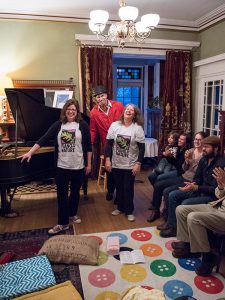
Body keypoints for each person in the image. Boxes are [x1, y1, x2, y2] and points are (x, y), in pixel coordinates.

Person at [20, 99, 92, 234]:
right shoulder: (58, 125)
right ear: (65, 111)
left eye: (74, 110)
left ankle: (72, 213)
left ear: (77, 112)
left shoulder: (82, 125)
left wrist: (88, 164)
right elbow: (44, 138)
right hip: (62, 167)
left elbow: (88, 146)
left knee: (75, 192)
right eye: (69, 109)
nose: (71, 111)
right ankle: (62, 223)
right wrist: (30, 152)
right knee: (62, 195)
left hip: (78, 166)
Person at [159, 135, 225, 237]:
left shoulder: (220, 164)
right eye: (203, 146)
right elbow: (197, 178)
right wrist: (192, 184)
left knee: (185, 203)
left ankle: (185, 235)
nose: (203, 149)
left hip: (211, 197)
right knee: (172, 195)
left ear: (216, 148)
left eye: (206, 147)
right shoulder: (204, 159)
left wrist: (196, 187)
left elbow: (214, 190)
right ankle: (173, 226)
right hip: (198, 190)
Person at [172, 166, 225, 276]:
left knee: (193, 217)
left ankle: (208, 257)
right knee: (181, 209)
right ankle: (188, 246)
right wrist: (221, 185)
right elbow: (218, 195)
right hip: (218, 207)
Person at [158, 131, 206, 236]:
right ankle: (169, 221)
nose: (197, 141)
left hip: (192, 182)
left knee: (170, 193)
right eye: (196, 139)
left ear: (204, 141)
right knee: (165, 190)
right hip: (184, 177)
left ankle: (173, 226)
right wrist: (186, 160)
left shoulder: (205, 155)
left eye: (199, 139)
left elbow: (200, 174)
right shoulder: (191, 151)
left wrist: (189, 161)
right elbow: (184, 168)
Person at [105, 104, 145, 222]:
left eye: (131, 110)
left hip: (130, 164)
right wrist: (108, 159)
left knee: (128, 188)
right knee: (119, 187)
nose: (129, 111)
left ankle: (129, 211)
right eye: (127, 109)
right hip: (116, 162)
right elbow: (108, 143)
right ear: (124, 111)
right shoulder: (115, 125)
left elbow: (142, 148)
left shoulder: (137, 128)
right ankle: (120, 207)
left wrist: (138, 163)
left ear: (134, 115)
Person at [147, 133, 191, 222]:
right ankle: (156, 200)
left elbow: (178, 165)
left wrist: (169, 156)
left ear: (186, 142)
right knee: (151, 177)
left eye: (182, 140)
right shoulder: (178, 148)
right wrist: (166, 155)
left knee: (159, 179)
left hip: (179, 173)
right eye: (179, 139)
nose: (179, 140)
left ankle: (156, 206)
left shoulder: (187, 151)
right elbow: (169, 159)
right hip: (174, 168)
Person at [90, 85, 124, 201]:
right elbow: (93, 130)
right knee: (109, 169)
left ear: (106, 95)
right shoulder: (93, 113)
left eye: (101, 96)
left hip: (122, 143)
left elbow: (127, 120)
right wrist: (89, 143)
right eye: (97, 97)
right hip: (107, 145)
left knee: (121, 170)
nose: (100, 99)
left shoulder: (118, 105)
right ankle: (110, 191)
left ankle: (120, 195)